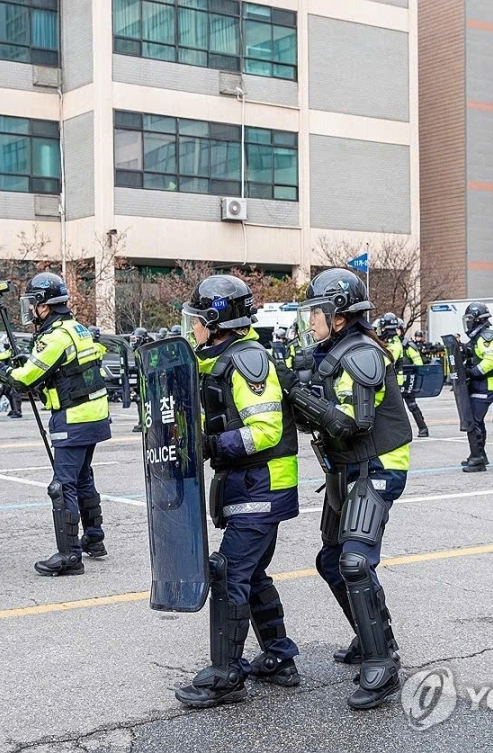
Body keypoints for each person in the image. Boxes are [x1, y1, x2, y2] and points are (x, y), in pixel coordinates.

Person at [278, 268, 411, 709]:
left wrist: (298, 394)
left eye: (316, 311)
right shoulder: (330, 349)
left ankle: (382, 663)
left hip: (377, 462)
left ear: (338, 315)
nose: (310, 320)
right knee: (330, 558)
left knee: (354, 560)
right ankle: (369, 633)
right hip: (345, 464)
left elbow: (353, 423)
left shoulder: (361, 353)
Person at [171, 275, 301, 708]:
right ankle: (280, 659)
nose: (193, 329)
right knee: (253, 573)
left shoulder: (249, 361)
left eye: (197, 322)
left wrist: (209, 445)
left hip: (261, 484)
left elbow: (265, 430)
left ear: (215, 321)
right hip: (250, 484)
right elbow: (204, 372)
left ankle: (226, 676)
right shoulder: (225, 356)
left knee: (228, 572)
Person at [0, 272, 111, 575]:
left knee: (61, 486)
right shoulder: (76, 329)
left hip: (74, 418)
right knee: (83, 479)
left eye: (32, 303)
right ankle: (94, 538)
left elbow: (23, 380)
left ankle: (69, 556)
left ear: (44, 305)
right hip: (94, 416)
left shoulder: (55, 337)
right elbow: (64, 368)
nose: (30, 310)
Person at [461, 303, 493, 470]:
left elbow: (491, 360)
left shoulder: (486, 336)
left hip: (486, 384)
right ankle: (479, 454)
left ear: (477, 319)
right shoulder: (477, 337)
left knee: (474, 422)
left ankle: (477, 459)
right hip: (480, 384)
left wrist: (473, 372)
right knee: (477, 421)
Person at [378, 313, 428, 438]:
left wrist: (411, 372)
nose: (397, 331)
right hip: (398, 380)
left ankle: (423, 428)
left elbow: (418, 363)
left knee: (411, 405)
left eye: (398, 329)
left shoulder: (405, 345)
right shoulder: (388, 342)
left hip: (405, 381)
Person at [130, 327, 153, 432]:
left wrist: (133, 369)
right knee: (139, 400)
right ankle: (142, 422)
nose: (134, 342)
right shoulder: (139, 350)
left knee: (143, 401)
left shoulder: (146, 350)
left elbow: (145, 366)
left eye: (136, 339)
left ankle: (145, 423)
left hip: (148, 380)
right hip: (142, 379)